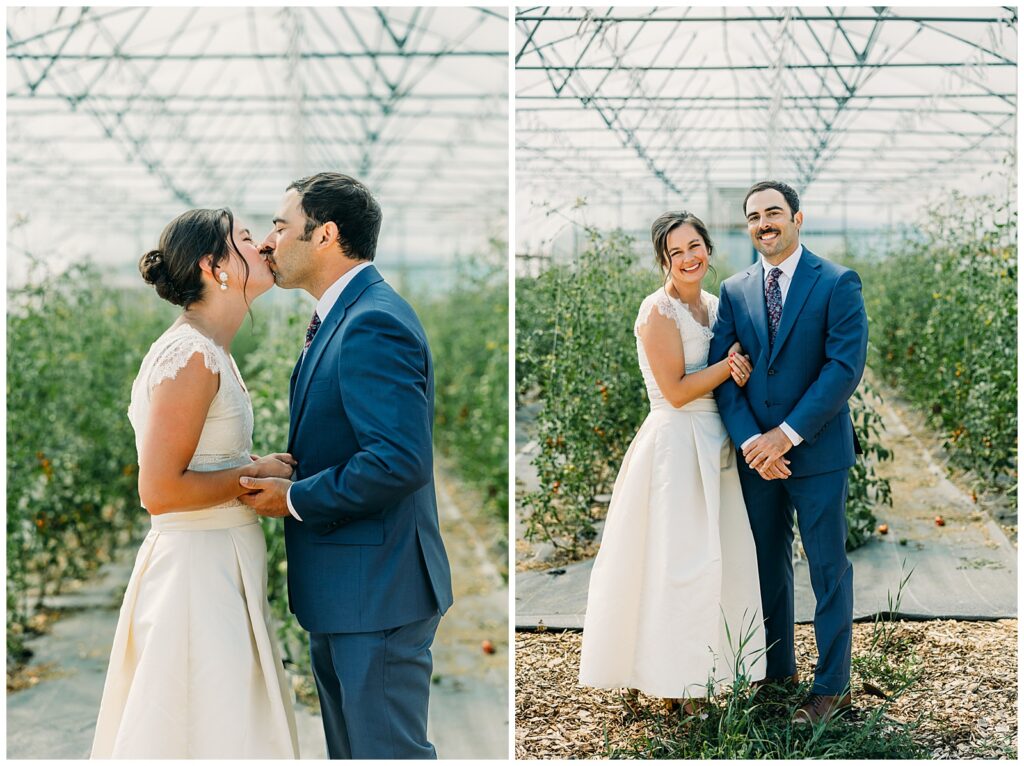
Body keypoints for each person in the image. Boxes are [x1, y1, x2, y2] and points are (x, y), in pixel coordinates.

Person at [238, 172, 454, 759]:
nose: (268, 242)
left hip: (377, 592)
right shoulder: (345, 313)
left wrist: (294, 499)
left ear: (325, 234)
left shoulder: (371, 320)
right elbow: (359, 440)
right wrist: (295, 470)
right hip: (348, 589)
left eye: (281, 227)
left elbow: (397, 461)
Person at [91, 209, 300, 758]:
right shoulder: (189, 355)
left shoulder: (211, 349)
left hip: (219, 561)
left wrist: (256, 460)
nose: (266, 248)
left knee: (218, 727)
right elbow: (159, 490)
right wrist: (251, 475)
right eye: (249, 241)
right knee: (199, 729)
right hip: (195, 574)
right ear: (215, 266)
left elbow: (203, 454)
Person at [579, 211, 767, 715]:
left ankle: (707, 671)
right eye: (676, 251)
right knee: (675, 567)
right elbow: (678, 392)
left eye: (695, 246)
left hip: (716, 444)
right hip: (676, 446)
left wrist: (740, 374)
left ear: (708, 247)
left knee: (716, 563)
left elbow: (729, 375)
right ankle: (672, 684)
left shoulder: (714, 304)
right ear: (664, 258)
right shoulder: (656, 311)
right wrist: (727, 368)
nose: (689, 258)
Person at [708, 180, 868, 725]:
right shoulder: (734, 290)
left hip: (817, 451)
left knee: (828, 569)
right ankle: (778, 676)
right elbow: (724, 375)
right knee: (766, 567)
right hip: (759, 458)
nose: (764, 223)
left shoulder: (837, 282)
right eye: (754, 216)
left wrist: (787, 434)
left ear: (798, 218)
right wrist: (755, 441)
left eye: (773, 212)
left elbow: (843, 369)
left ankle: (832, 688)